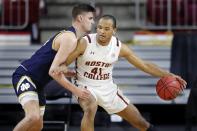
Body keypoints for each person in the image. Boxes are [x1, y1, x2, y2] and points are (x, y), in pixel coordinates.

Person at [65, 15, 187, 131]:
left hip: (107, 88)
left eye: (106, 29)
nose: (102, 31)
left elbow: (144, 65)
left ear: (114, 30)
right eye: (100, 27)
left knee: (140, 123)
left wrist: (168, 75)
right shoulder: (85, 43)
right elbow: (62, 64)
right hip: (85, 85)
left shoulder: (118, 47)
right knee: (91, 107)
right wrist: (66, 74)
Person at [11, 3, 95, 131]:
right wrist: (76, 90)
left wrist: (70, 73)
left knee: (38, 125)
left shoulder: (71, 37)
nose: (93, 22)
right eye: (90, 18)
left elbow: (54, 67)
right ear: (80, 18)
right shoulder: (70, 38)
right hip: (26, 75)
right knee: (33, 117)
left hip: (38, 83)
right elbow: (54, 72)